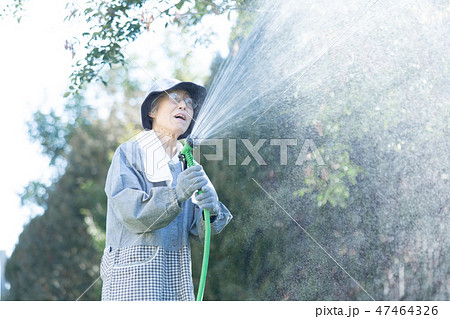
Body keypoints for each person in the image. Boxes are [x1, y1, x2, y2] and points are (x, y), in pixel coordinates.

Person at [100, 78, 233, 301]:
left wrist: (210, 213)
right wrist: (176, 195)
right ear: (153, 109)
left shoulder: (188, 164)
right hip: (133, 288)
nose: (184, 106)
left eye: (189, 103)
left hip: (176, 289)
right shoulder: (130, 154)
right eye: (175, 99)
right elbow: (132, 213)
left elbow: (199, 230)